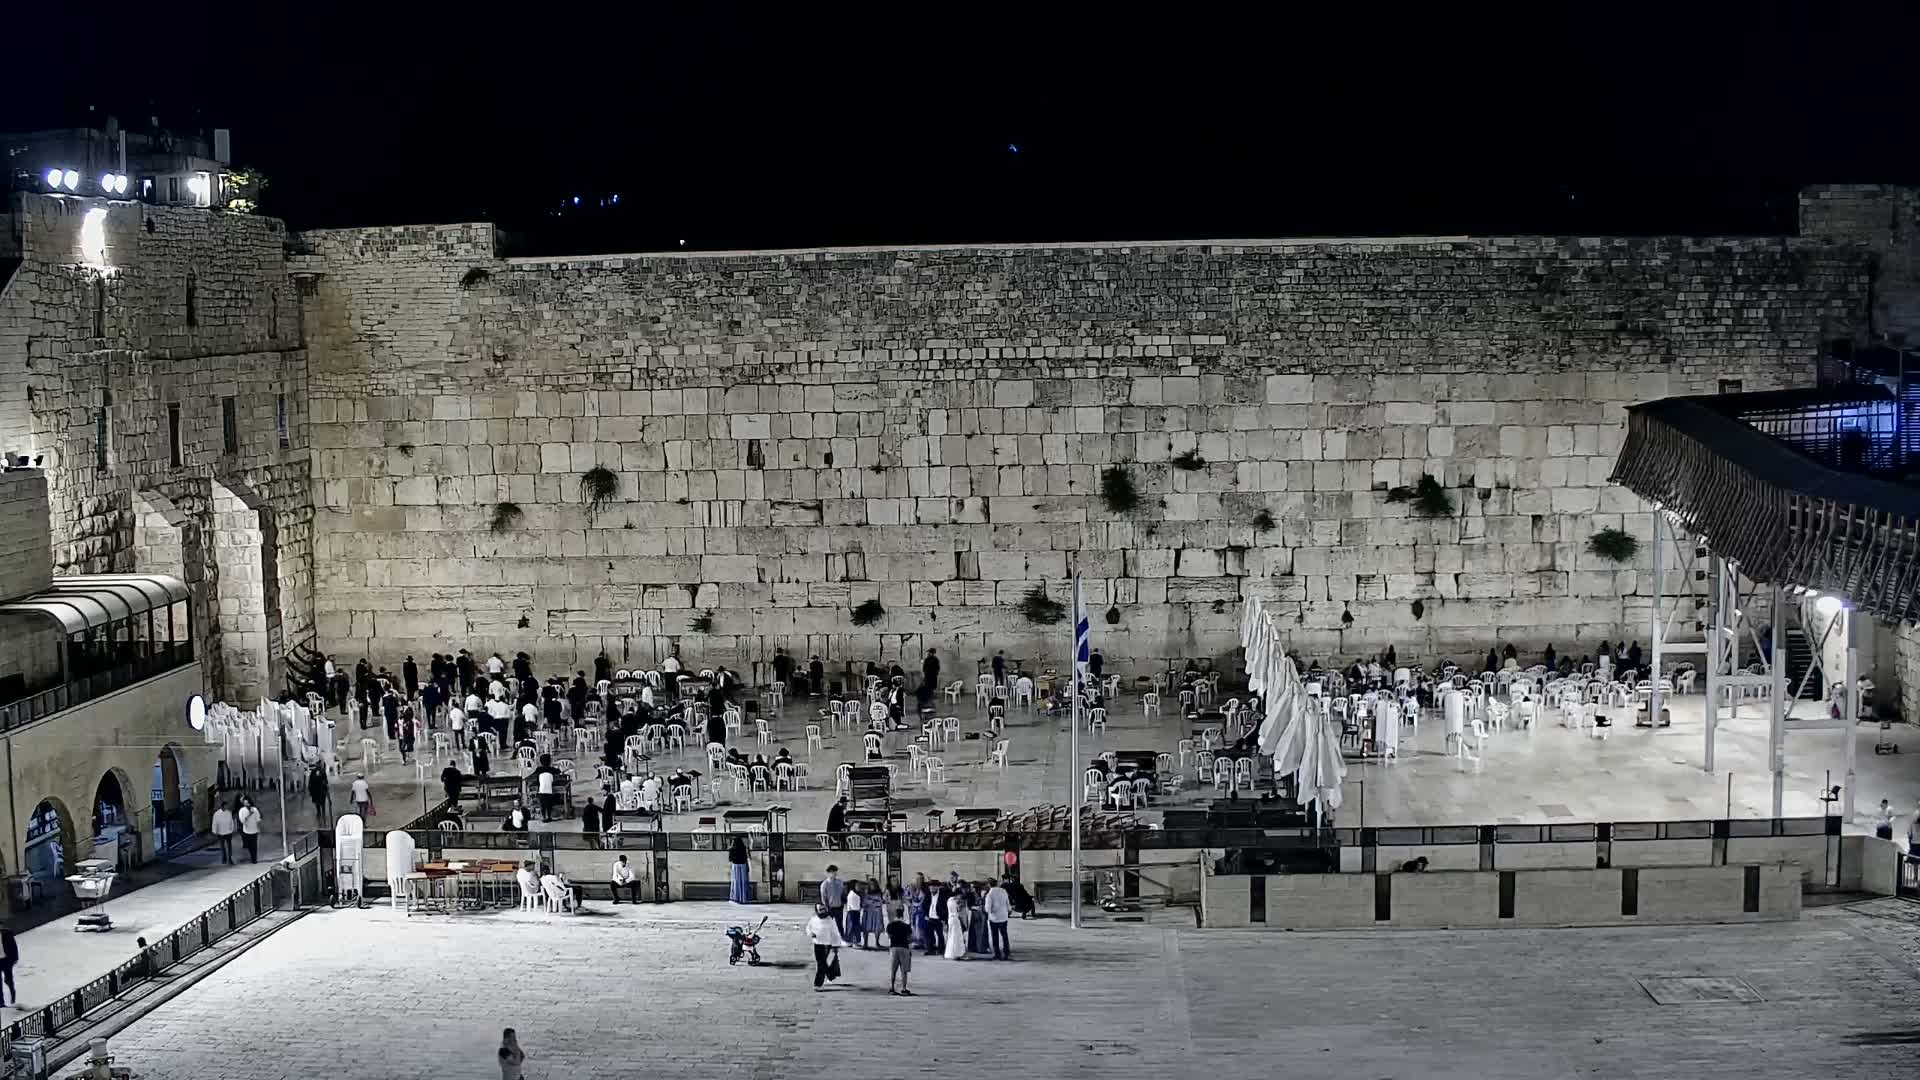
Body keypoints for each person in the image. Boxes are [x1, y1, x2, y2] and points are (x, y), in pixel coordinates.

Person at [807, 903, 846, 991]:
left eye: (824, 909)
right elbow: (808, 928)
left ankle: (818, 983)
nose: (823, 911)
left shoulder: (830, 920)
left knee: (821, 963)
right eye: (820, 910)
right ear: (817, 911)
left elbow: (835, 934)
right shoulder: (813, 919)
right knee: (820, 962)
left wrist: (836, 946)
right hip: (817, 943)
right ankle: (830, 974)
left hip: (826, 944)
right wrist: (811, 933)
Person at [885, 905, 915, 996]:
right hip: (904, 948)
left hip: (894, 948)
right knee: (904, 970)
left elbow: (889, 937)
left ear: (895, 915)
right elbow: (910, 939)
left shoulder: (890, 925)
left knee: (893, 970)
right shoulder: (906, 926)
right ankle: (904, 988)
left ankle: (892, 988)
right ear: (902, 916)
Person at [984, 877, 1012, 959]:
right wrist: (1009, 910)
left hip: (994, 918)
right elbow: (1008, 902)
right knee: (1004, 935)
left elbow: (987, 909)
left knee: (995, 936)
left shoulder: (989, 894)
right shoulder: (1003, 891)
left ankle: (997, 953)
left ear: (989, 885)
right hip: (1004, 916)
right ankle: (1006, 951)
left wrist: (986, 910)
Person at [944, 883, 970, 960]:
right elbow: (959, 911)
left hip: (950, 919)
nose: (960, 897)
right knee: (957, 937)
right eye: (960, 895)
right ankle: (958, 953)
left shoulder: (949, 900)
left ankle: (951, 953)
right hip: (955, 920)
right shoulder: (956, 902)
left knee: (951, 936)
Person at [533, 755, 560, 821]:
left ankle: (543, 817)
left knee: (542, 805)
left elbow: (533, 775)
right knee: (549, 804)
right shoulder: (551, 769)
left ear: (540, 762)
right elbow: (559, 772)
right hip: (549, 791)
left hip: (541, 791)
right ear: (550, 761)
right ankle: (549, 816)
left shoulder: (538, 769)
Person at [861, 877, 885, 949]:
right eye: (871, 884)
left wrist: (871, 901)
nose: (872, 885)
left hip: (877, 912)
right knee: (866, 928)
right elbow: (864, 902)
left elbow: (880, 902)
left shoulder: (879, 892)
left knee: (877, 928)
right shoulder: (866, 891)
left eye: (874, 884)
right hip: (867, 912)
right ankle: (865, 943)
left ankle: (877, 943)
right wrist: (874, 901)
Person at [237, 797, 261, 863]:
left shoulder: (255, 809)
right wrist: (249, 815)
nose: (247, 804)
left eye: (248, 803)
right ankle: (252, 856)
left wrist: (259, 828)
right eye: (245, 803)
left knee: (254, 846)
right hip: (247, 831)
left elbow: (258, 819)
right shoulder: (242, 810)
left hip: (254, 830)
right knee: (249, 846)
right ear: (244, 804)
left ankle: (254, 859)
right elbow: (242, 821)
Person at [0, 921, 16, 1007]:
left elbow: (13, 946)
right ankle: (1, 1003)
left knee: (8, 980)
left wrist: (15, 958)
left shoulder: (7, 933)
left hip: (6, 960)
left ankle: (12, 992)